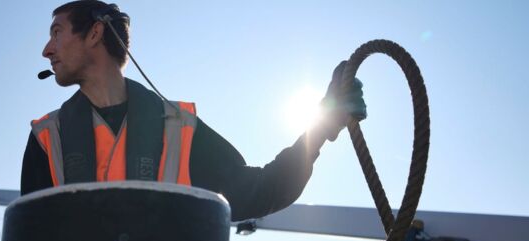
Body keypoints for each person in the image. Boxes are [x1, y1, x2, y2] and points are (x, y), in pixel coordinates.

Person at [21, 1, 366, 221]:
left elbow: (262, 190)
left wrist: (320, 127)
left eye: (57, 32)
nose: (46, 50)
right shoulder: (47, 139)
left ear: (95, 33)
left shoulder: (179, 130)